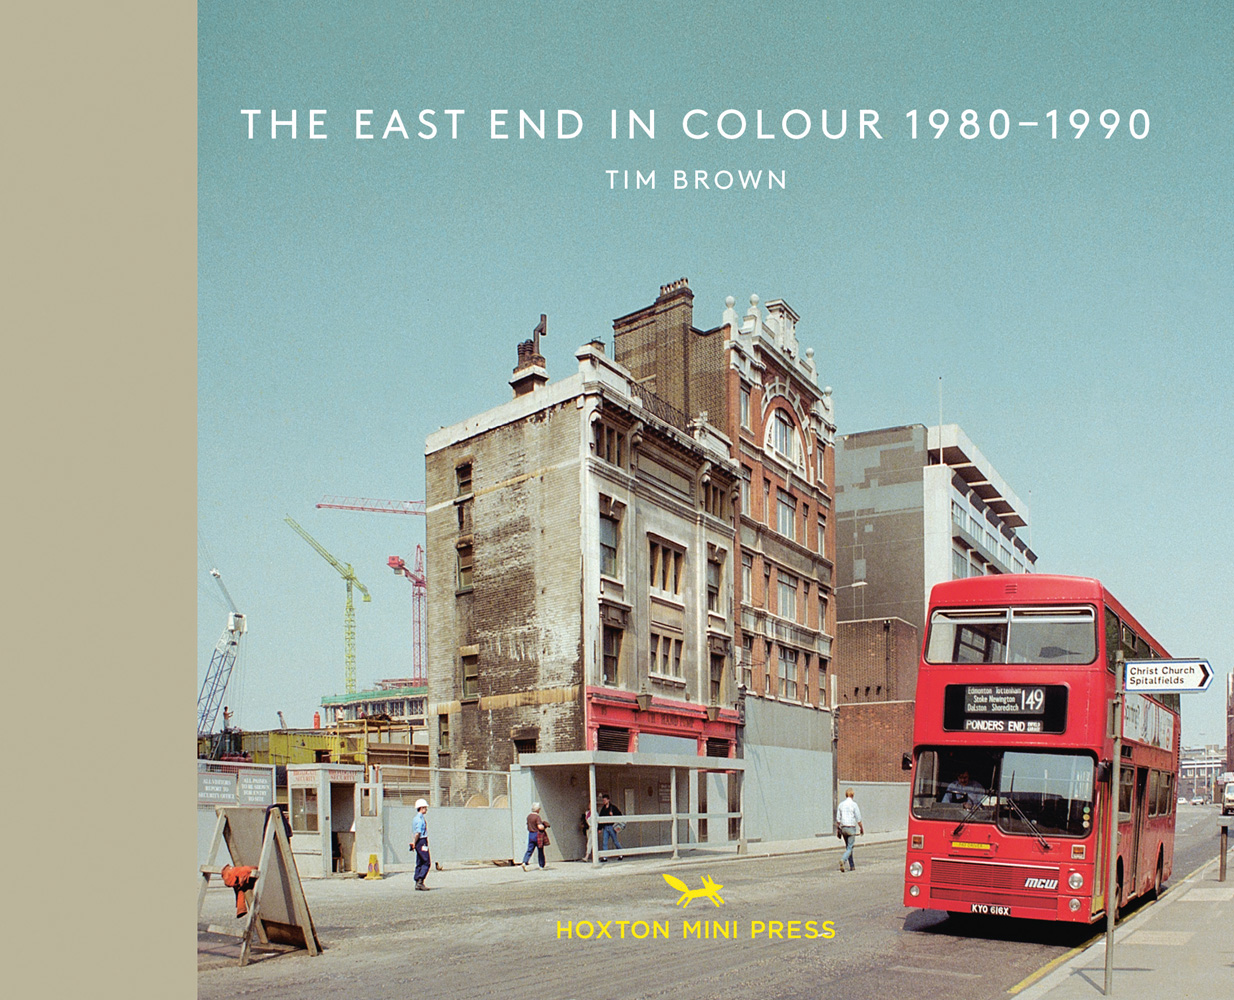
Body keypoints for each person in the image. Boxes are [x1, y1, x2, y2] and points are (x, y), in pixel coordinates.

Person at [835, 788, 864, 872]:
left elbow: (838, 819)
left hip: (843, 828)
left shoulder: (841, 805)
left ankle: (852, 865)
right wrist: (861, 828)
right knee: (850, 848)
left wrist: (838, 830)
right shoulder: (854, 805)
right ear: (852, 795)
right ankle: (843, 860)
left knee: (848, 847)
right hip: (851, 828)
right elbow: (858, 818)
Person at [522, 802, 551, 870]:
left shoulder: (529, 816)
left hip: (531, 834)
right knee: (540, 850)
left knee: (529, 849)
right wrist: (544, 826)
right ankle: (541, 865)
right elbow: (540, 827)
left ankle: (524, 862)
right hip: (537, 835)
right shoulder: (537, 817)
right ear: (538, 809)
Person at [410, 798, 431, 890]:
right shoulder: (420, 819)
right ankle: (420, 880)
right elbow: (418, 832)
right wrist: (415, 842)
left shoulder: (415, 819)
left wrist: (414, 843)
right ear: (421, 808)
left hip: (418, 841)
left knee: (419, 861)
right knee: (426, 862)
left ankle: (417, 881)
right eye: (425, 808)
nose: (426, 809)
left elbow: (414, 833)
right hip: (422, 841)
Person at [597, 792, 623, 860]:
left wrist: (613, 815)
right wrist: (599, 828)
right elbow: (601, 818)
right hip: (605, 827)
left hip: (611, 827)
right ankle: (605, 857)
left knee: (615, 841)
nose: (604, 801)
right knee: (604, 842)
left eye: (605, 800)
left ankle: (621, 853)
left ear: (608, 800)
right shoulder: (603, 809)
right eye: (603, 800)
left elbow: (620, 814)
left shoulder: (613, 807)